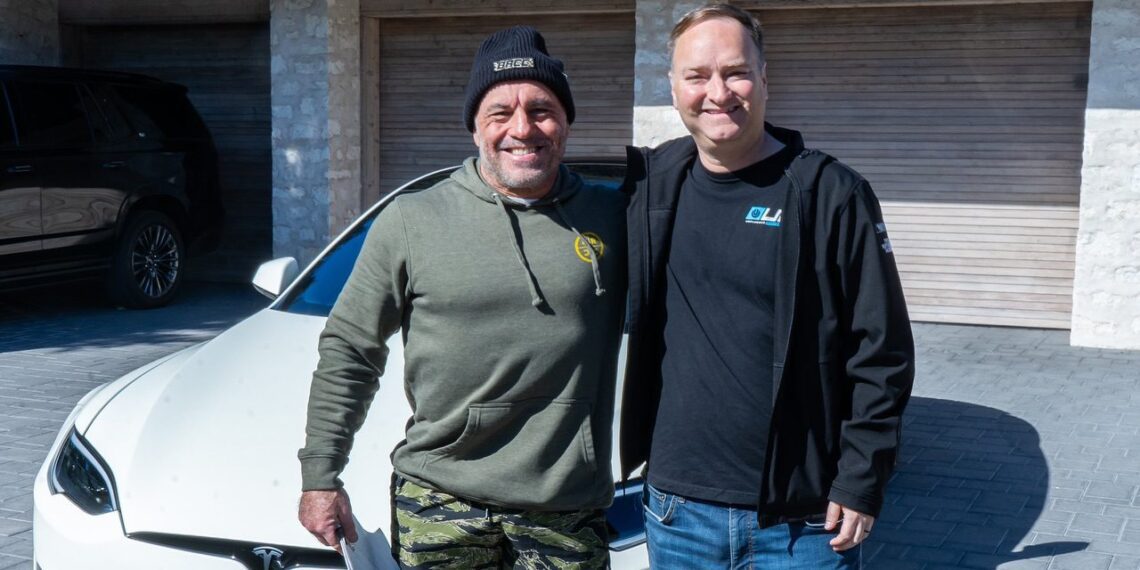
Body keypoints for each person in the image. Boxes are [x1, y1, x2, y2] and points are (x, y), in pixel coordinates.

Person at [297, 25, 626, 569]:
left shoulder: (613, 218)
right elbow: (350, 350)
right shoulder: (412, 219)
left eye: (542, 109)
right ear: (474, 127)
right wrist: (320, 477)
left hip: (564, 507)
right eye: (500, 113)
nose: (522, 128)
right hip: (438, 499)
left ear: (567, 121)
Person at [619, 4, 915, 568]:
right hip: (675, 511)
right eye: (697, 75)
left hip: (801, 522)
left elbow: (883, 351)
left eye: (735, 71)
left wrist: (861, 478)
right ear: (673, 87)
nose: (718, 92)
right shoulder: (651, 185)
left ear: (764, 78)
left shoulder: (831, 193)